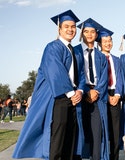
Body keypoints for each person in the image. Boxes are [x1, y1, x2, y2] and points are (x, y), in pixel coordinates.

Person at [13, 10, 85, 159]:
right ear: (59, 29)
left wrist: (80, 91)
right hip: (59, 98)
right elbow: (56, 72)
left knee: (70, 138)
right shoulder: (52, 47)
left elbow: (82, 75)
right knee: (57, 139)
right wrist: (71, 93)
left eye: (73, 26)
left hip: (74, 98)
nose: (70, 29)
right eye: (66, 26)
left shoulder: (75, 52)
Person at [74, 18, 109, 160]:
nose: (89, 34)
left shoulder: (101, 55)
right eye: (86, 31)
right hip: (79, 93)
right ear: (81, 33)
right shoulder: (75, 51)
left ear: (96, 34)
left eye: (92, 31)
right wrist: (84, 91)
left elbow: (104, 76)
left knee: (96, 132)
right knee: (78, 131)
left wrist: (96, 91)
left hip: (96, 95)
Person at [96, 27, 123, 160]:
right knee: (101, 130)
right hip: (101, 96)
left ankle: (115, 157)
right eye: (104, 41)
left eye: (110, 40)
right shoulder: (96, 58)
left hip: (115, 97)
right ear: (99, 43)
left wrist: (117, 95)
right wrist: (106, 95)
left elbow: (120, 79)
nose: (108, 43)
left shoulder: (117, 60)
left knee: (115, 131)